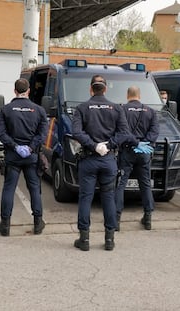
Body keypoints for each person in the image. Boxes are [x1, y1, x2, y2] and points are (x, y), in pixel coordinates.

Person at [72, 75, 129, 251]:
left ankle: (84, 239)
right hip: (108, 159)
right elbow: (124, 133)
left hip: (89, 159)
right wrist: (108, 145)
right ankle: (109, 239)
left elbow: (76, 132)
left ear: (91, 89)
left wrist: (93, 145)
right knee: (109, 198)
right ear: (105, 89)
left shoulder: (82, 108)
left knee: (85, 198)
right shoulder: (116, 108)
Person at [0, 78, 48, 236]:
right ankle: (38, 223)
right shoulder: (38, 110)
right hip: (31, 157)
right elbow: (42, 134)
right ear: (29, 91)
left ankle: (5, 225)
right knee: (34, 189)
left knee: (9, 189)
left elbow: (1, 133)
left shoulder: (6, 109)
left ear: (14, 91)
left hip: (13, 156)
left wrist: (15, 146)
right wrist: (30, 147)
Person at [115, 86, 159, 231]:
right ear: (139, 95)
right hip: (144, 152)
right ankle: (148, 218)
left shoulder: (122, 109)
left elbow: (121, 131)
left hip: (127, 151)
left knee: (121, 184)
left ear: (128, 95)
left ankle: (116, 218)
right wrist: (144, 143)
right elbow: (155, 131)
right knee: (145, 184)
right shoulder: (150, 111)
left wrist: (134, 143)